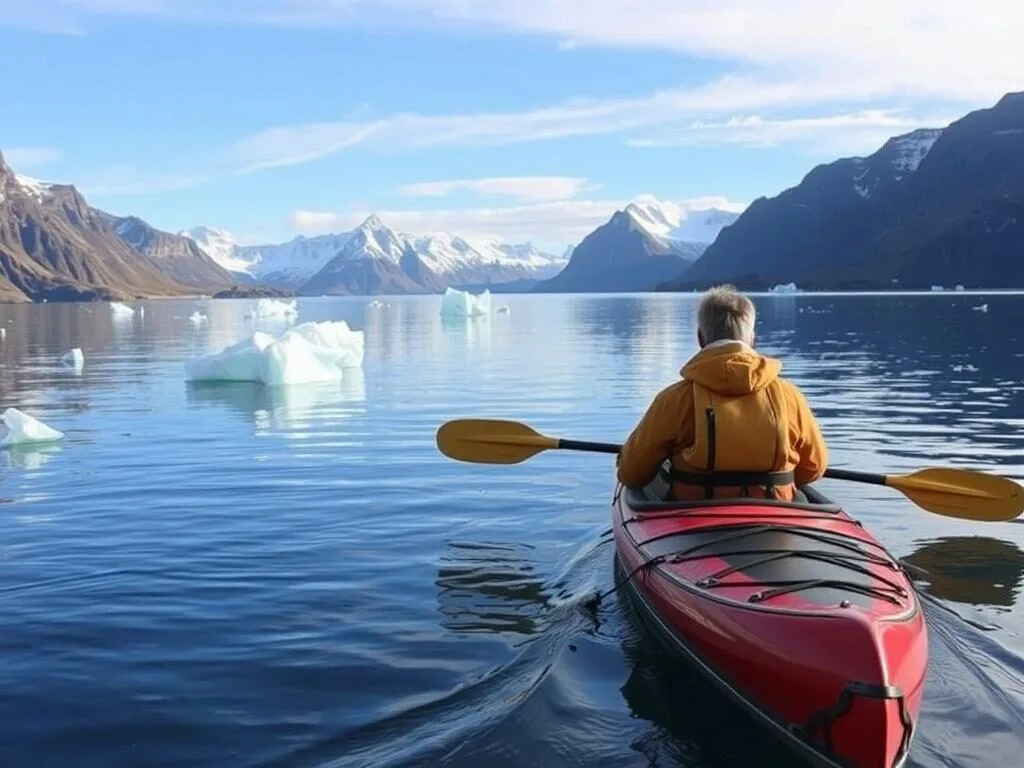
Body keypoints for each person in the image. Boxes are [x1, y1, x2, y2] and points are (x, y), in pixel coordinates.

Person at [616, 284, 827, 502]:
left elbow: (631, 473)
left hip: (692, 519)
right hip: (775, 514)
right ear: (752, 339)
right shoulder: (790, 396)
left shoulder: (674, 400)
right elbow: (814, 467)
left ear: (701, 339)